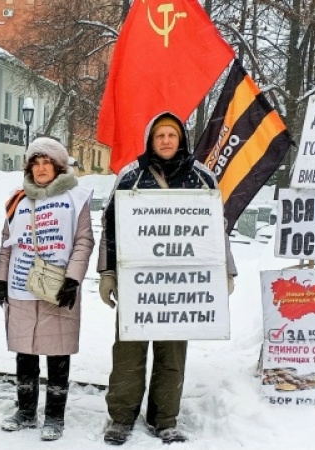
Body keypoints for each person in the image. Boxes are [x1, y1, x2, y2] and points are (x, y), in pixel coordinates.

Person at [98, 113, 237, 445]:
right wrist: (107, 272)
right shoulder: (131, 176)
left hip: (181, 286)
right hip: (137, 282)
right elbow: (110, 226)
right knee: (128, 353)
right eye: (159, 135)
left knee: (172, 353)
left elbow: (217, 228)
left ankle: (165, 417)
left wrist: (225, 271)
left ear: (181, 139)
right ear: (150, 140)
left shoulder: (202, 178)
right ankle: (121, 416)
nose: (165, 140)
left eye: (171, 135)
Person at [0, 138, 94, 441]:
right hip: (21, 286)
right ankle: (25, 411)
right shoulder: (17, 199)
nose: (40, 168)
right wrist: (1, 279)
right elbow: (6, 243)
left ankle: (54, 415)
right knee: (25, 353)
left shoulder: (76, 197)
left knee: (57, 355)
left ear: (58, 166)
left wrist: (74, 279)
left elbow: (83, 241)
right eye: (35, 163)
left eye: (46, 163)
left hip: (57, 288)